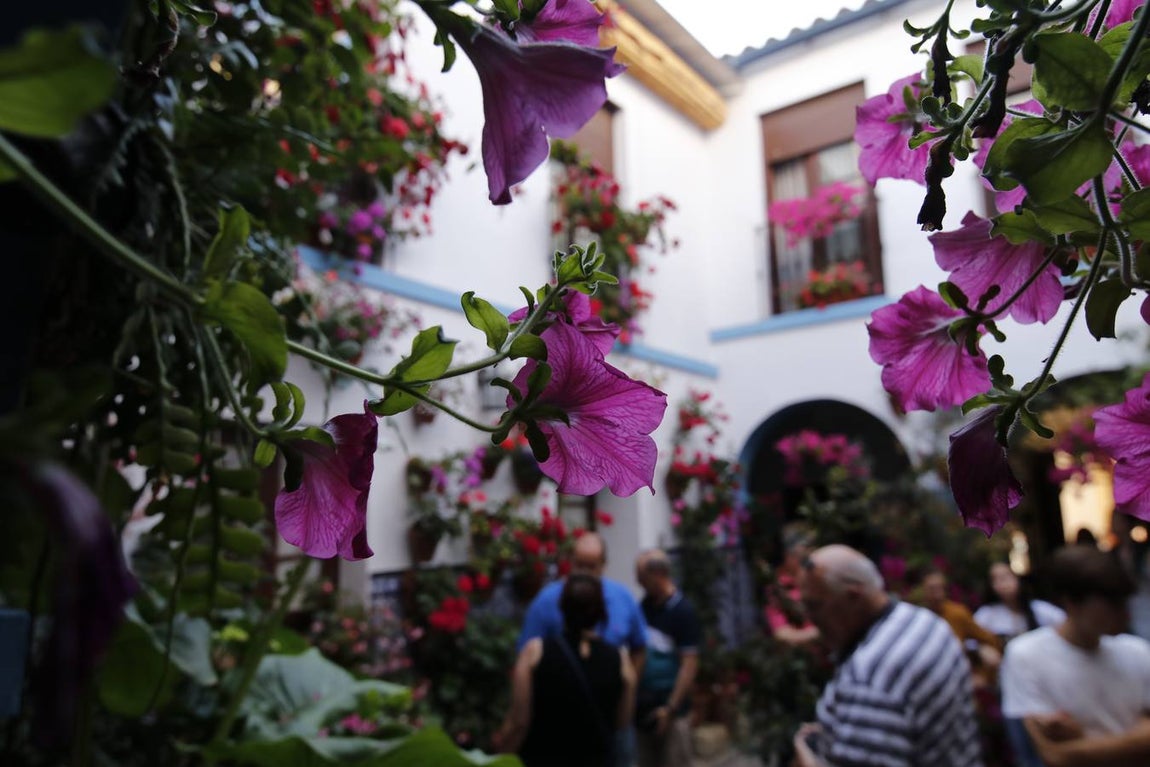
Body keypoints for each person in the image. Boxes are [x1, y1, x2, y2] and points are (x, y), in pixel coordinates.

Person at [792, 545, 983, 767]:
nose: (810, 618)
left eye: (814, 606)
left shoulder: (870, 679)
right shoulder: (924, 622)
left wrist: (804, 753)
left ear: (853, 597)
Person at [1000, 545, 1150, 767]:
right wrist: (1135, 741)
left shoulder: (1137, 650)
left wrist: (1080, 744)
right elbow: (1050, 757)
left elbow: (1062, 755)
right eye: (1111, 603)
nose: (1123, 613)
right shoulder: (1025, 655)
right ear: (1071, 603)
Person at [518, 531, 646, 767]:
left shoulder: (622, 598)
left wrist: (626, 686)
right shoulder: (547, 601)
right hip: (558, 723)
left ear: (604, 565)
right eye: (580, 565)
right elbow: (525, 659)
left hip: (608, 720)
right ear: (569, 561)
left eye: (592, 566)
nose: (585, 573)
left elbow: (639, 646)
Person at [496, 574, 637, 767]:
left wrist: (501, 757)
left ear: (562, 607)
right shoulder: (621, 660)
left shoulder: (534, 653)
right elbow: (622, 723)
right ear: (601, 611)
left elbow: (519, 721)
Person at [634, 549, 700, 767]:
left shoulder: (682, 611)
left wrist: (671, 708)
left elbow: (689, 664)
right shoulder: (644, 607)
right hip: (644, 708)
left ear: (659, 574)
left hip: (672, 712)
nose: (639, 583)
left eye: (642, 578)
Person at [919, 568, 1003, 672]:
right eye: (932, 589)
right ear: (923, 589)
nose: (938, 594)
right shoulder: (918, 618)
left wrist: (979, 650)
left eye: (940, 588)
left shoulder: (957, 613)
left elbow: (989, 639)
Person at [973, 561, 1065, 645]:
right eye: (995, 579)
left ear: (1017, 578)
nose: (1002, 584)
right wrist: (981, 650)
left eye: (1005, 577)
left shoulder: (1039, 608)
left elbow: (1065, 624)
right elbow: (970, 640)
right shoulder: (987, 614)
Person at [764, 525, 820, 647]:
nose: (811, 552)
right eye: (806, 546)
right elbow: (782, 634)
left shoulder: (818, 577)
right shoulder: (778, 589)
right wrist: (818, 634)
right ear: (788, 555)